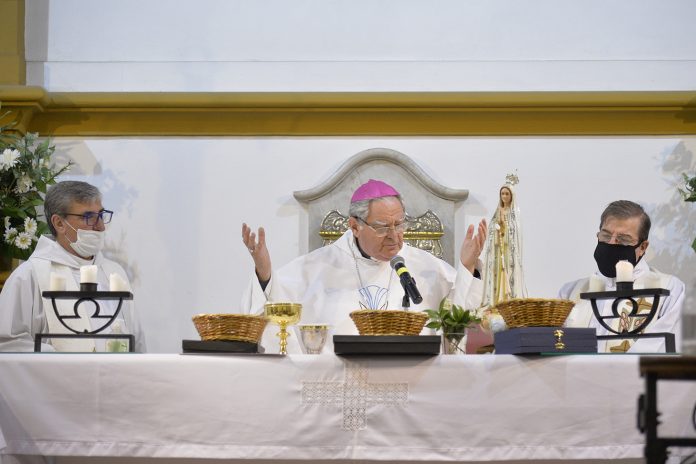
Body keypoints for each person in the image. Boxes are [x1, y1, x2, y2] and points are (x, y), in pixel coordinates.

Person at [241, 179, 487, 353]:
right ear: (355, 226)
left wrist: (467, 267)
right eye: (382, 227)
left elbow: (461, 322)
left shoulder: (426, 266)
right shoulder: (314, 268)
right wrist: (264, 274)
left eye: (400, 224)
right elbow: (274, 307)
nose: (394, 236)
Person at [0, 181, 146, 352]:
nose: (100, 226)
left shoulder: (113, 272)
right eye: (89, 217)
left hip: (116, 376)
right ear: (59, 223)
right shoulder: (29, 276)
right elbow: (8, 343)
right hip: (58, 377)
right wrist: (67, 361)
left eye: (101, 215)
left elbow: (136, 339)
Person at [559, 200, 684, 353]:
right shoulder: (570, 292)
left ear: (642, 247)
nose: (612, 243)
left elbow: (659, 348)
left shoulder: (668, 290)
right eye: (606, 236)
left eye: (623, 239)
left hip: (631, 376)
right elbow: (556, 344)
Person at [480, 180, 527, 310]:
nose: (504, 196)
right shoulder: (497, 211)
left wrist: (504, 228)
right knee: (496, 274)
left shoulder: (514, 213)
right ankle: (496, 301)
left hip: (508, 250)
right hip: (498, 249)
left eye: (507, 194)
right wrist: (495, 228)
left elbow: (515, 232)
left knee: (508, 273)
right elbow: (491, 229)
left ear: (512, 195)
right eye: (502, 194)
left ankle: (508, 300)